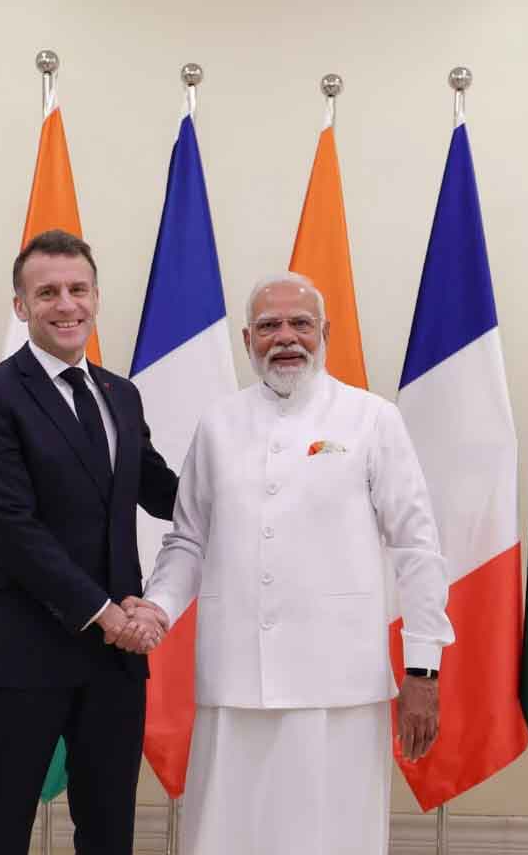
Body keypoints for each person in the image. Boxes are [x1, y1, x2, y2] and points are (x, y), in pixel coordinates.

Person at [131, 271, 454, 855]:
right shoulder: (218, 423)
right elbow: (188, 540)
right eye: (270, 326)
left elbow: (417, 548)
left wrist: (423, 668)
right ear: (248, 339)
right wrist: (157, 608)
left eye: (301, 324)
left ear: (324, 333)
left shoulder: (371, 418)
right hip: (234, 678)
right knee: (226, 837)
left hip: (338, 682)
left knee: (331, 839)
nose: (286, 337)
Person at [0, 229, 178, 855]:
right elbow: (11, 527)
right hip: (22, 650)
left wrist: (263, 488)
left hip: (114, 660)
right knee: (2, 830)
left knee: (109, 830)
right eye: (47, 292)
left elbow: (163, 491)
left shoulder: (121, 394)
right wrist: (105, 614)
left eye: (78, 289)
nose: (66, 304)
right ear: (21, 305)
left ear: (96, 298)